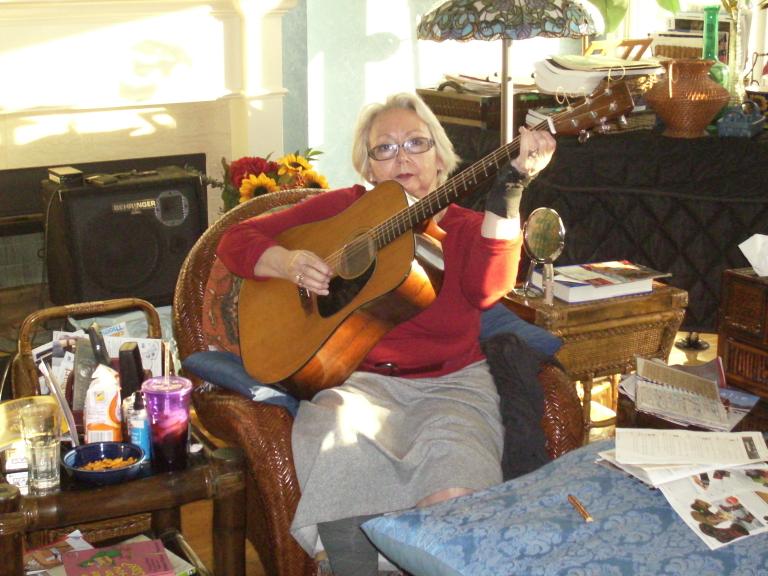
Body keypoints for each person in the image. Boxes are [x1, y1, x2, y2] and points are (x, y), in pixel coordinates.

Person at [216, 92, 556, 575]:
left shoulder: (468, 228)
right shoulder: (345, 209)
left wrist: (512, 186)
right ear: (369, 167)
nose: (402, 158)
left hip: (453, 389)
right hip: (356, 385)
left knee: (455, 496)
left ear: (440, 156)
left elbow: (489, 289)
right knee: (340, 453)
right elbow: (235, 240)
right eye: (385, 148)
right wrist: (289, 263)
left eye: (416, 143)